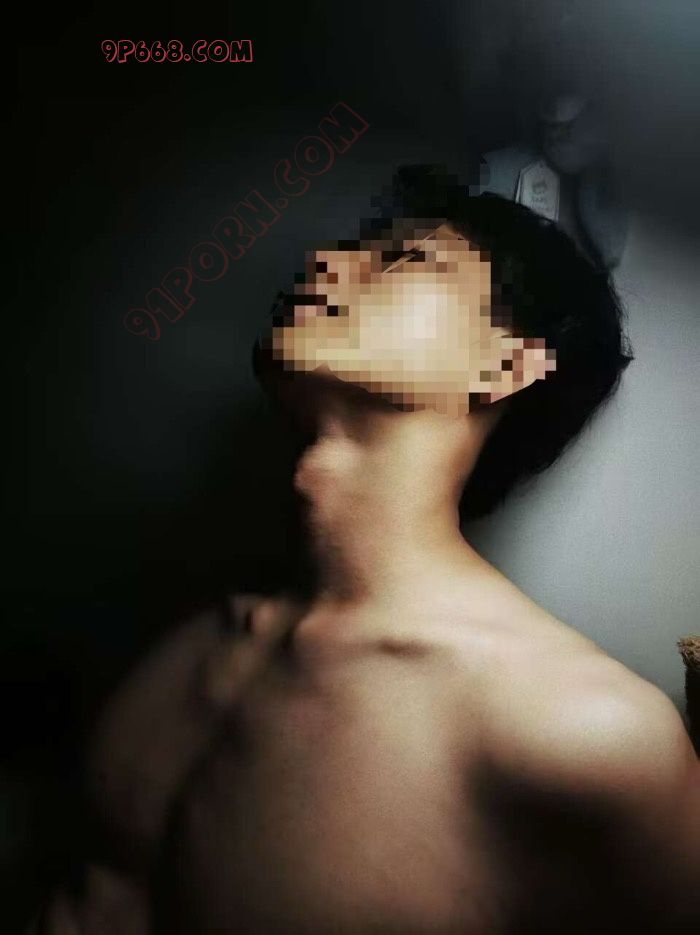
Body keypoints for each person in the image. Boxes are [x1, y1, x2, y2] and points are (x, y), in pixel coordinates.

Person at [37, 166, 699, 934]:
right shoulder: (188, 643)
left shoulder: (584, 730)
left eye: (405, 259)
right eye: (350, 249)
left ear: (505, 365)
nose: (322, 261)